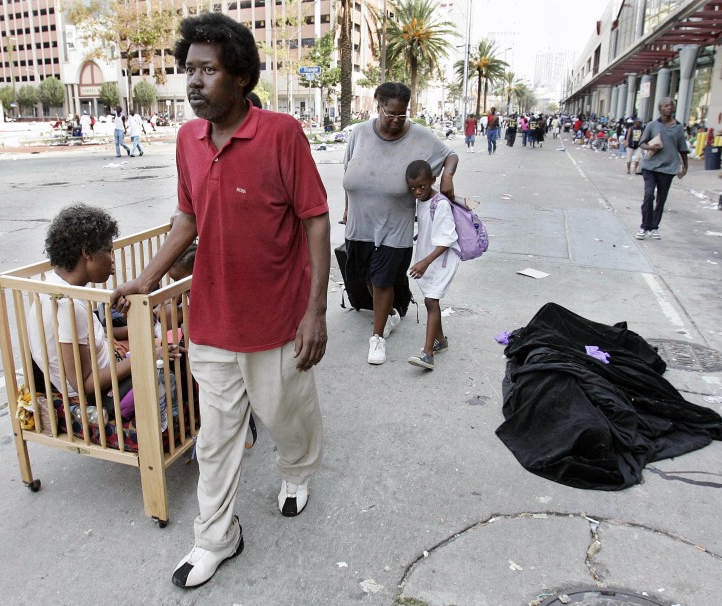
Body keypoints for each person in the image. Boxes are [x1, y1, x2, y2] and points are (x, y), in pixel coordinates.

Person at [111, 12, 329, 589]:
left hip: (278, 318)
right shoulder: (187, 139)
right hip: (211, 318)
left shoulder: (282, 133)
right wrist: (148, 279)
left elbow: (315, 219)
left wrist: (316, 311)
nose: (193, 82)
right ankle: (216, 536)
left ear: (241, 78)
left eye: (207, 70)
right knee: (216, 436)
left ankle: (295, 470)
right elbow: (187, 220)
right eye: (189, 71)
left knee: (286, 413)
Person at [342, 82, 458, 365]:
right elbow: (348, 174)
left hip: (396, 226)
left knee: (381, 281)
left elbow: (450, 155)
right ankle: (391, 313)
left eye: (401, 115)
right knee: (366, 277)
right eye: (389, 113)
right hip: (359, 224)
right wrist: (346, 210)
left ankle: (377, 337)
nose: (395, 120)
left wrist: (447, 176)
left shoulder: (420, 136)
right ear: (377, 106)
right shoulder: (358, 133)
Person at [28, 204, 179, 415]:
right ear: (87, 253)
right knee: (179, 351)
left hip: (111, 361)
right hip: (101, 391)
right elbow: (85, 384)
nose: (113, 260)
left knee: (167, 340)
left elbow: (95, 339)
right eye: (109, 251)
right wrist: (146, 357)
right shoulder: (69, 306)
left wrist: (137, 326)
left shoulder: (50, 287)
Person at [405, 160, 459, 371]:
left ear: (433, 181)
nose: (417, 192)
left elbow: (447, 240)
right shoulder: (422, 200)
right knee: (429, 298)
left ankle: (428, 354)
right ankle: (441, 341)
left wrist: (425, 262)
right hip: (428, 258)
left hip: (441, 259)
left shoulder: (441, 204)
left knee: (431, 301)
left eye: (422, 186)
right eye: (413, 188)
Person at [635, 97, 688, 240]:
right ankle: (644, 226)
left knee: (661, 199)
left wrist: (685, 166)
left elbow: (683, 149)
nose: (669, 107)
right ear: (660, 109)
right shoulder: (652, 125)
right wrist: (651, 147)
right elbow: (642, 143)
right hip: (650, 166)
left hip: (668, 168)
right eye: (666, 105)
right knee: (649, 195)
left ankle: (654, 227)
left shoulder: (678, 127)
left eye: (671, 105)